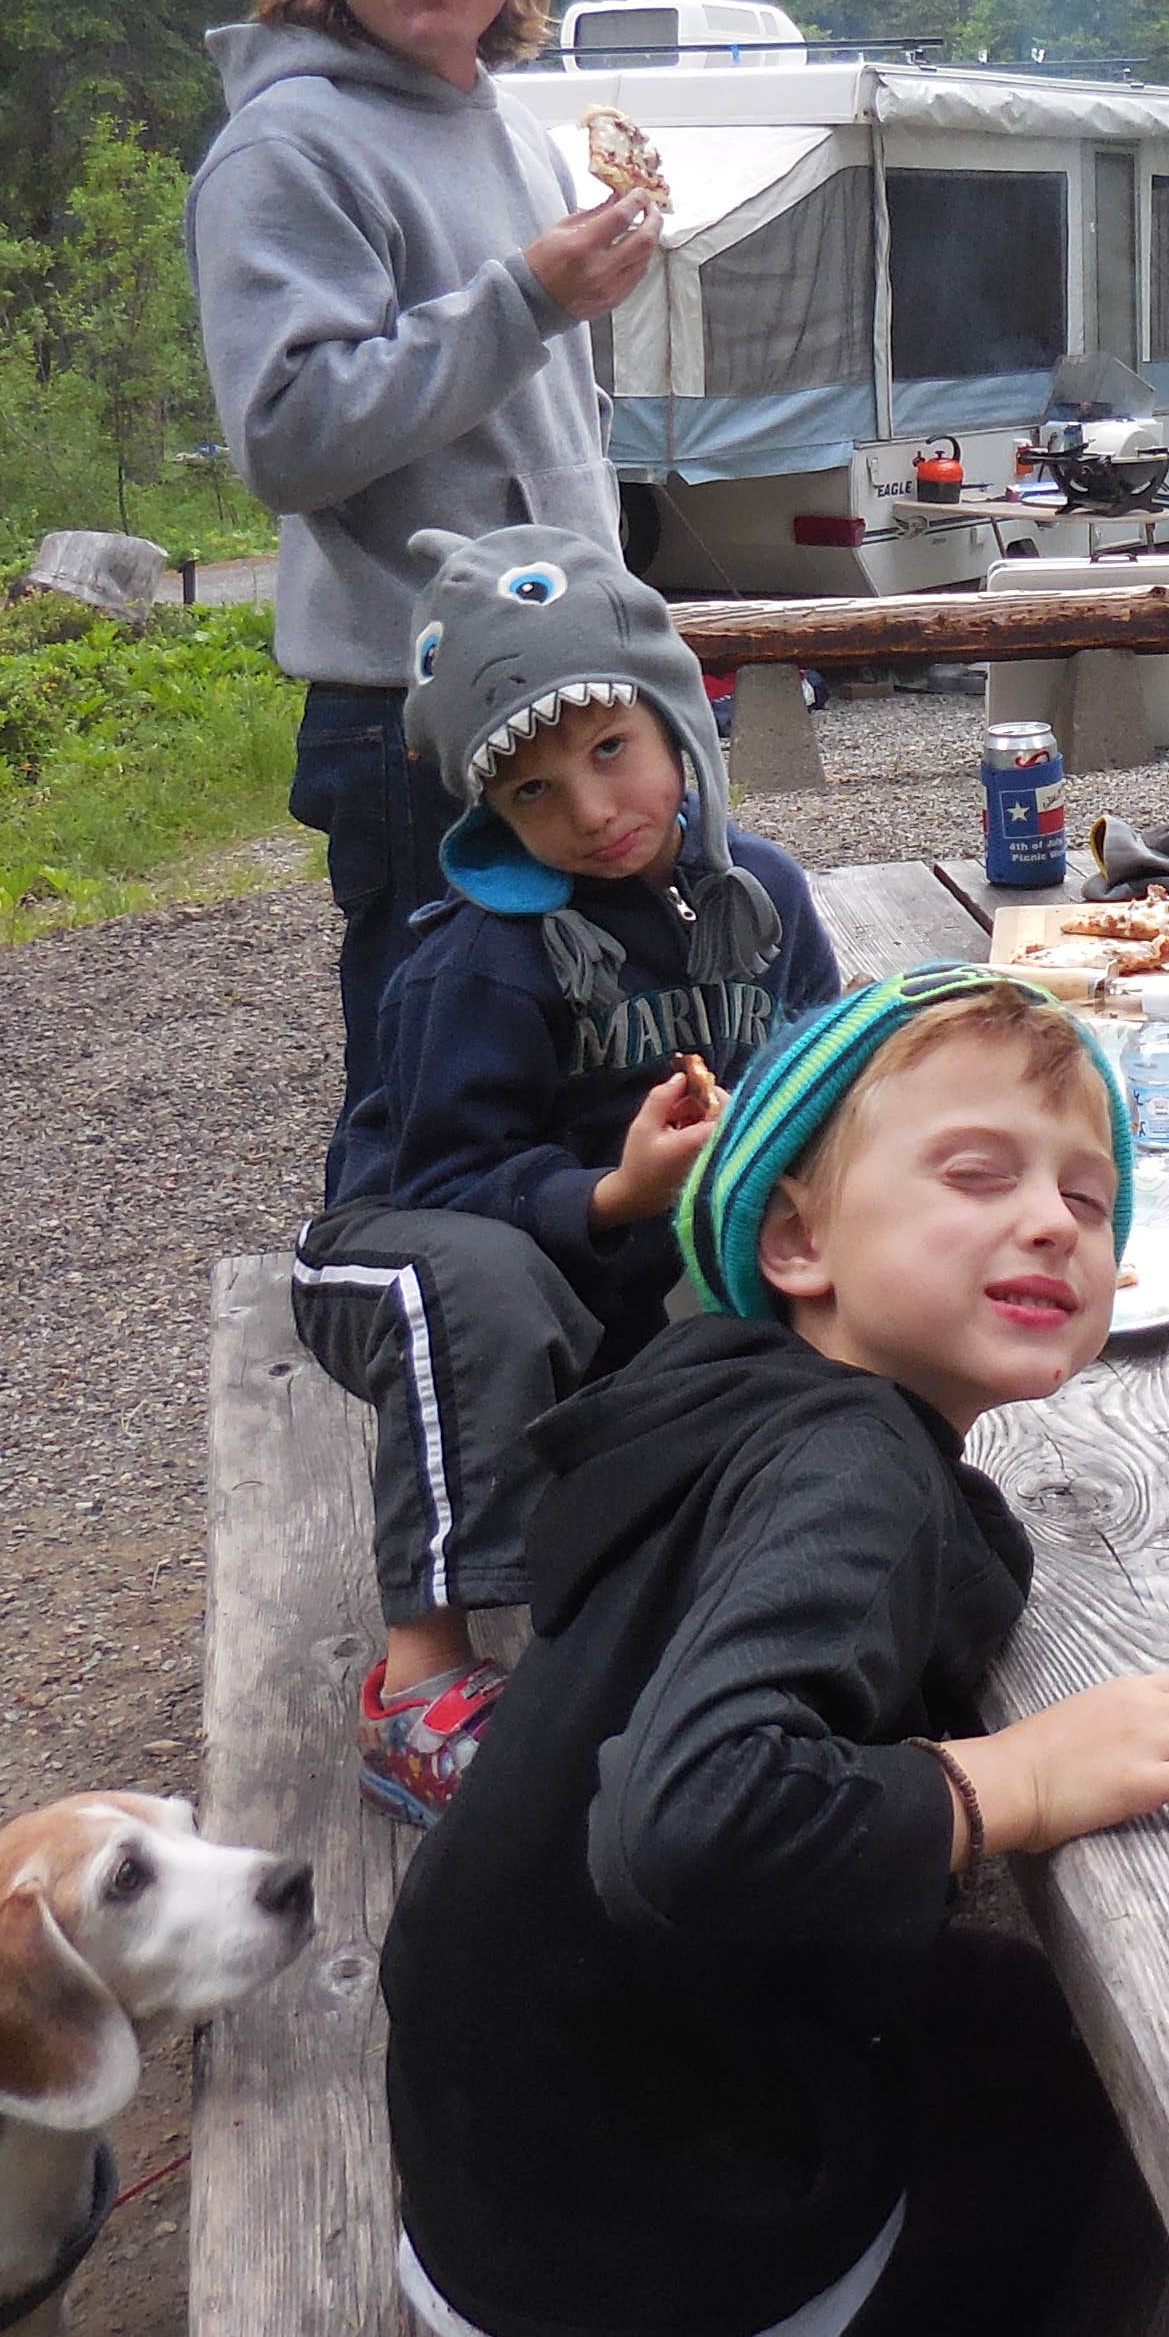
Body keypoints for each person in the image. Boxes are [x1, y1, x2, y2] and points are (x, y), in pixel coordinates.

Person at [382, 970, 1169, 2337]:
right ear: (796, 1239)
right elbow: (697, 1818)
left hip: (494, 2213)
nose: (1055, 1223)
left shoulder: (719, 1392)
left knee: (1012, 2003)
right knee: (1168, 2152)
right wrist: (1009, 1774)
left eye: (1088, 1195)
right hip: (668, 2319)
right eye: (977, 1175)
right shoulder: (851, 1473)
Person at [300, 519, 843, 1825]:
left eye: (611, 752)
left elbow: (831, 1069)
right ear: (487, 811)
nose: (592, 811)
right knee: (486, 1288)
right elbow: (451, 1173)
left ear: (677, 725)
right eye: (535, 792)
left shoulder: (759, 897)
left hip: (605, 1259)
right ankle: (420, 1687)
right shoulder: (479, 958)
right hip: (407, 1238)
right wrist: (613, 1195)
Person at [188, 0, 662, 1208]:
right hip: (424, 733)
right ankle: (403, 1390)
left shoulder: (513, 128)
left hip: (582, 703)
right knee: (432, 1122)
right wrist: (523, 296)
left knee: (594, 1089)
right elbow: (285, 430)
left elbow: (528, 414)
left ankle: (577, 1396)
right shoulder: (287, 149)